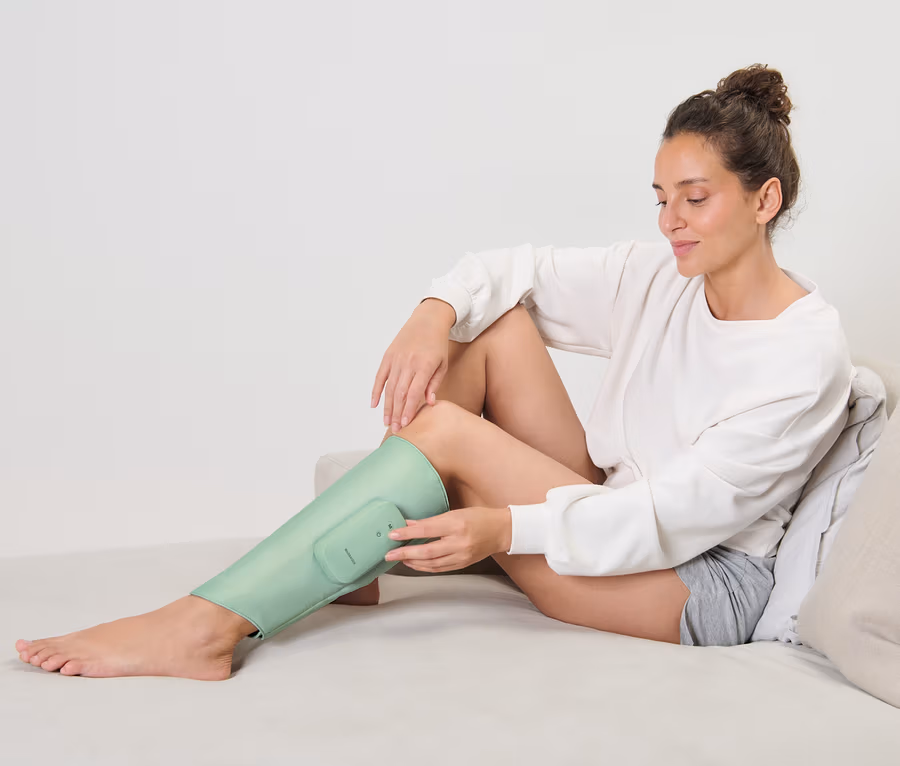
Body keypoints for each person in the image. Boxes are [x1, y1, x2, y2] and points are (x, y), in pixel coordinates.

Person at [15, 63, 853, 679]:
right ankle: (349, 563)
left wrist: (503, 529)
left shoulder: (802, 354)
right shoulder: (659, 276)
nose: (671, 222)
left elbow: (671, 518)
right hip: (611, 512)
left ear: (764, 201)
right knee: (490, 327)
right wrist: (432, 313)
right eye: (661, 198)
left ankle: (204, 627)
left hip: (694, 581)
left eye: (695, 198)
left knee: (448, 434)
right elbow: (512, 270)